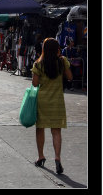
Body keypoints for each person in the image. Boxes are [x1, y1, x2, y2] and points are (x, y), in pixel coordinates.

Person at [31, 37, 73, 175]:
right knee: (56, 131)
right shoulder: (62, 62)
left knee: (40, 129)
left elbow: (35, 84)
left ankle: (41, 156)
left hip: (43, 102)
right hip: (57, 101)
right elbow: (70, 77)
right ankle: (57, 158)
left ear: (43, 49)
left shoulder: (38, 64)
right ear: (57, 49)